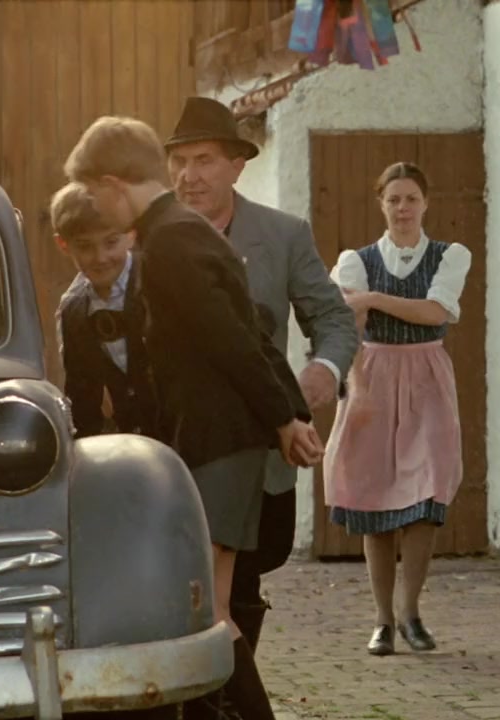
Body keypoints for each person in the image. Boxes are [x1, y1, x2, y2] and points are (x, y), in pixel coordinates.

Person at [63, 115, 324, 720]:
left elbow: (233, 340)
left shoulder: (169, 242)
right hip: (220, 442)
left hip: (217, 442)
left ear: (112, 184)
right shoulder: (182, 229)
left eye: (94, 194)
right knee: (208, 609)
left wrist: (284, 418)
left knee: (208, 612)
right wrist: (286, 411)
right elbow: (251, 328)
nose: (96, 208)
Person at [164, 96, 358, 653]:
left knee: (243, 580)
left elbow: (334, 319)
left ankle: (231, 677)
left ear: (236, 165)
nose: (189, 176)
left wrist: (323, 369)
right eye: (179, 161)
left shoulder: (282, 235)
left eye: (203, 161)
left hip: (262, 449)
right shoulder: (150, 236)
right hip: (175, 445)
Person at [324, 161, 472, 657]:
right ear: (381, 204)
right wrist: (357, 385)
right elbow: (348, 322)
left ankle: (410, 612)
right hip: (372, 374)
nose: (403, 208)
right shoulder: (356, 261)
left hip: (427, 378)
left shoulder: (450, 256)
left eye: (411, 199)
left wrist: (371, 299)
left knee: (427, 494)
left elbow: (434, 311)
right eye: (393, 199)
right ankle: (382, 620)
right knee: (375, 500)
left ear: (425, 203)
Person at [50, 181, 159, 441]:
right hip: (136, 444)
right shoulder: (74, 311)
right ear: (63, 244)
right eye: (85, 246)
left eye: (111, 242)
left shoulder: (157, 282)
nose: (100, 257)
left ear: (131, 233)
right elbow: (82, 398)